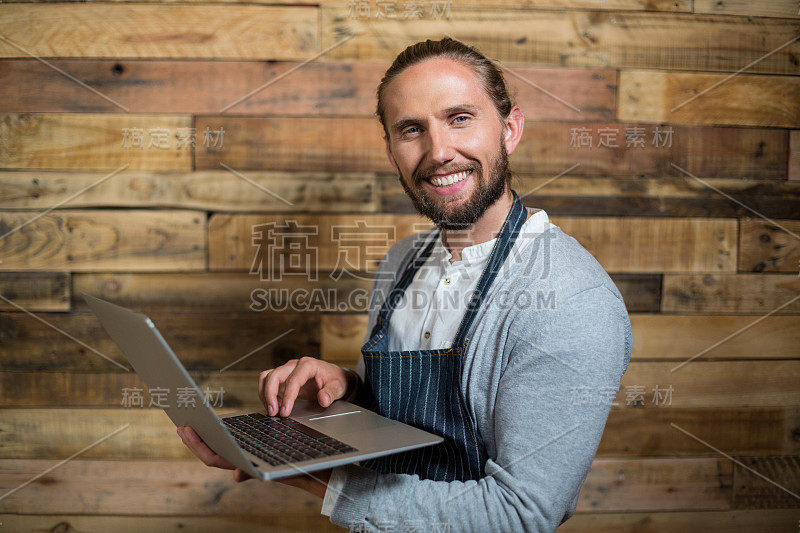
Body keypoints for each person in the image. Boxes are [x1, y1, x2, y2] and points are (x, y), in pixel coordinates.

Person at [178, 37, 631, 532]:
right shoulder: (402, 263)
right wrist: (344, 389)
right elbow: (396, 427)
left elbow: (519, 515)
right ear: (392, 153)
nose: (439, 152)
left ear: (510, 129)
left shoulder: (570, 299)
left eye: (460, 118)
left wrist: (317, 479)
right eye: (412, 129)